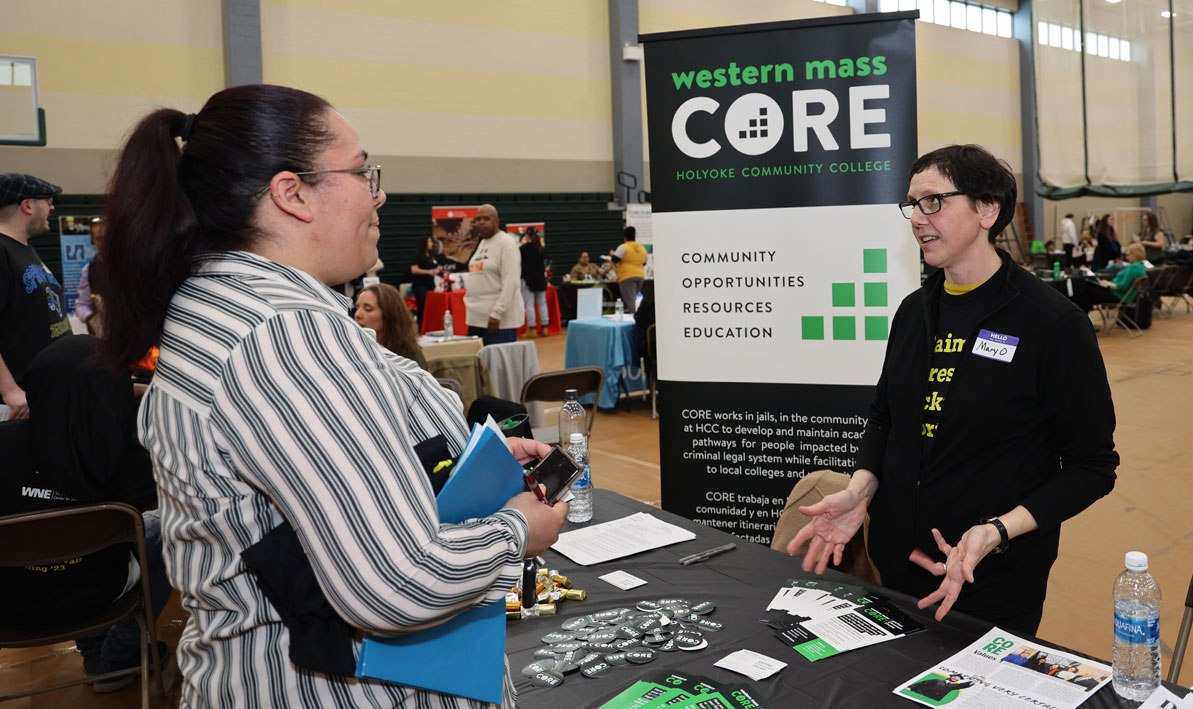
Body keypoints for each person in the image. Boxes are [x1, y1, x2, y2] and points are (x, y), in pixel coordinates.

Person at [96, 84, 567, 708]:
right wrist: (515, 531)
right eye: (361, 172)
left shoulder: (222, 309)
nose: (379, 194)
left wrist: (451, 454)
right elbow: (394, 582)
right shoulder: (284, 333)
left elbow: (313, 468)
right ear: (292, 193)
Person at [789, 144, 1118, 636]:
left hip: (991, 582)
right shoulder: (912, 312)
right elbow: (884, 416)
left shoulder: (1051, 324)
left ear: (987, 209)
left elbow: (1093, 467)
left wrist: (998, 531)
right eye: (912, 204)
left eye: (934, 201)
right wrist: (861, 490)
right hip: (894, 570)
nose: (918, 218)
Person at [3, 334, 172, 693]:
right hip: (99, 593)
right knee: (169, 536)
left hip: (8, 604)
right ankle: (117, 656)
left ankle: (97, 651)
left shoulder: (4, 446)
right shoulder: (137, 463)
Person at [0, 172, 72, 420]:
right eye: (48, 200)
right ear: (27, 205)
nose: (52, 208)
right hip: (20, 404)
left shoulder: (24, 249)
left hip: (44, 393)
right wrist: (9, 391)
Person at [463, 203, 524, 345]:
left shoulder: (506, 243)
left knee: (497, 366)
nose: (481, 222)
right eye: (478, 219)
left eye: (486, 218)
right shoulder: (482, 243)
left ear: (497, 221)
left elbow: (511, 282)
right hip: (477, 319)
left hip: (497, 322)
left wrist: (497, 312)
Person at [354, 282, 428, 369]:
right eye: (357, 308)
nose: (357, 314)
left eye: (368, 309)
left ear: (388, 314)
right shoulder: (356, 348)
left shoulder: (410, 357)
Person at [1069, 243, 1148, 313]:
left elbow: (1122, 286)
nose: (1126, 257)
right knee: (1086, 297)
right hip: (1121, 296)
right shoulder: (1140, 267)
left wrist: (1108, 284)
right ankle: (1083, 321)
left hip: (1118, 296)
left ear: (1135, 254)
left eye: (1128, 255)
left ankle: (1078, 316)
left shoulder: (1134, 268)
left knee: (1085, 286)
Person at [75, 217, 109, 333]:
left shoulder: (132, 263)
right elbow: (82, 304)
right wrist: (91, 318)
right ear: (93, 240)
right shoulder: (89, 269)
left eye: (108, 238)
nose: (104, 243)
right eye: (99, 239)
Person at [608, 225, 647, 314]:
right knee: (634, 299)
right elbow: (644, 262)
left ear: (625, 237)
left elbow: (615, 259)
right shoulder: (642, 249)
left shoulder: (623, 247)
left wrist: (611, 256)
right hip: (640, 276)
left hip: (627, 277)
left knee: (630, 302)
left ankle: (633, 319)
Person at [519, 227, 548, 337]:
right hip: (541, 278)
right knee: (542, 302)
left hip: (528, 279)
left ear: (527, 235)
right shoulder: (542, 249)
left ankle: (532, 329)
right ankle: (545, 327)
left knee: (529, 303)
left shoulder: (523, 249)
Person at [410, 235, 439, 330]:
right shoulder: (417, 256)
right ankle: (421, 328)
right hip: (420, 285)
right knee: (422, 307)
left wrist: (436, 271)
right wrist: (428, 272)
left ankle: (430, 327)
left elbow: (435, 267)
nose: (431, 244)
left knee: (431, 308)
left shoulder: (431, 256)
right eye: (430, 242)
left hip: (431, 285)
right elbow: (414, 270)